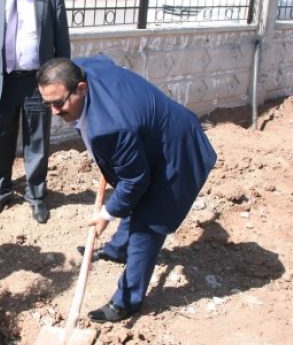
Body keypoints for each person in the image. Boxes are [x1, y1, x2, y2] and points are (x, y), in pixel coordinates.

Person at [36, 55, 217, 322]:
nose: (54, 112)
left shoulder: (109, 128)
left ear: (81, 88)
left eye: (59, 103)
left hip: (177, 153)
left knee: (147, 224)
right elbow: (102, 59)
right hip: (149, 138)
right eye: (47, 103)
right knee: (131, 195)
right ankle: (117, 250)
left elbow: (135, 181)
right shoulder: (84, 70)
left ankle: (127, 301)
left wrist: (107, 215)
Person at [0, 0, 70, 224]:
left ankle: (36, 196)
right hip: (1, 82)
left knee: (37, 141)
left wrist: (63, 83)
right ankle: (1, 192)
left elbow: (62, 42)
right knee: (1, 141)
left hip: (38, 82)